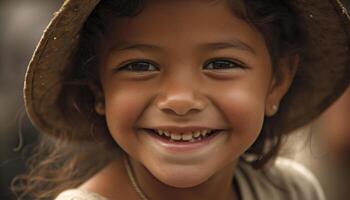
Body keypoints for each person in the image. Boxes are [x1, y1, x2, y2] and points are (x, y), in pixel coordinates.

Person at [11, 0, 350, 199]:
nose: (180, 100)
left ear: (276, 82)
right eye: (140, 65)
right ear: (99, 89)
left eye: (221, 64)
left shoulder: (288, 190)